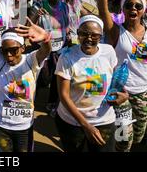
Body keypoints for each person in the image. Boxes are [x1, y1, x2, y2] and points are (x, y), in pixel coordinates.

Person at [96, 0, 147, 152]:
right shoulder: (116, 31)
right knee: (123, 140)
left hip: (143, 95)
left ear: (143, 10)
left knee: (138, 138)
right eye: (129, 5)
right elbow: (103, 11)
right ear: (123, 9)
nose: (133, 8)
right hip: (121, 94)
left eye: (138, 6)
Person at [0, 2, 52, 152]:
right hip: (1, 128)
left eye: (14, 50)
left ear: (22, 48)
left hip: (25, 130)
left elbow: (46, 51)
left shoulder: (31, 60)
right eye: (5, 51)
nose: (9, 55)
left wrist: (45, 39)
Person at [55, 15, 129, 152]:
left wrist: (124, 95)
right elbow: (64, 96)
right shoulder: (67, 57)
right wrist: (86, 125)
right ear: (78, 34)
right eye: (84, 34)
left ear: (101, 36)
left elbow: (114, 81)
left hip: (103, 120)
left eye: (95, 35)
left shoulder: (109, 52)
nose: (89, 38)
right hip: (72, 122)